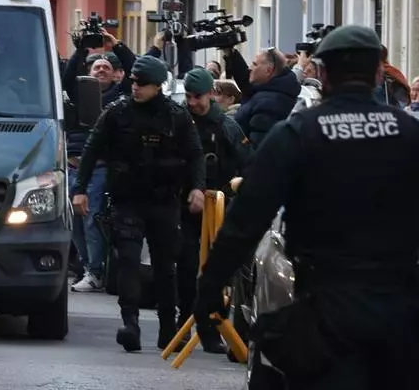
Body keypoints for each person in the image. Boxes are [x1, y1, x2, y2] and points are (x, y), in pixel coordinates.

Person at [195, 25, 419, 389]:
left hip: (325, 313)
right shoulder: (409, 135)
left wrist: (211, 288)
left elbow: (247, 219)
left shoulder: (298, 133)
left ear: (322, 74)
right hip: (399, 316)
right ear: (379, 73)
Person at [74, 55, 205, 352]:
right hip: (128, 200)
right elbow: (92, 149)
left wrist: (197, 188)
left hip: (164, 201)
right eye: (133, 81)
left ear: (158, 86)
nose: (135, 87)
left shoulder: (176, 116)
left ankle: (168, 328)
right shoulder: (117, 112)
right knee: (129, 262)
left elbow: (196, 154)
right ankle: (130, 323)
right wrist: (80, 189)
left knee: (165, 267)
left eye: (142, 83)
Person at [177, 68, 251, 354]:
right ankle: (183, 320)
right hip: (184, 205)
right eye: (188, 96)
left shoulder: (226, 126)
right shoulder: (179, 120)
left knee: (216, 272)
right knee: (184, 267)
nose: (192, 102)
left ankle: (210, 328)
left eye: (197, 96)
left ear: (211, 94)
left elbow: (248, 164)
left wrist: (236, 193)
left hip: (218, 208)